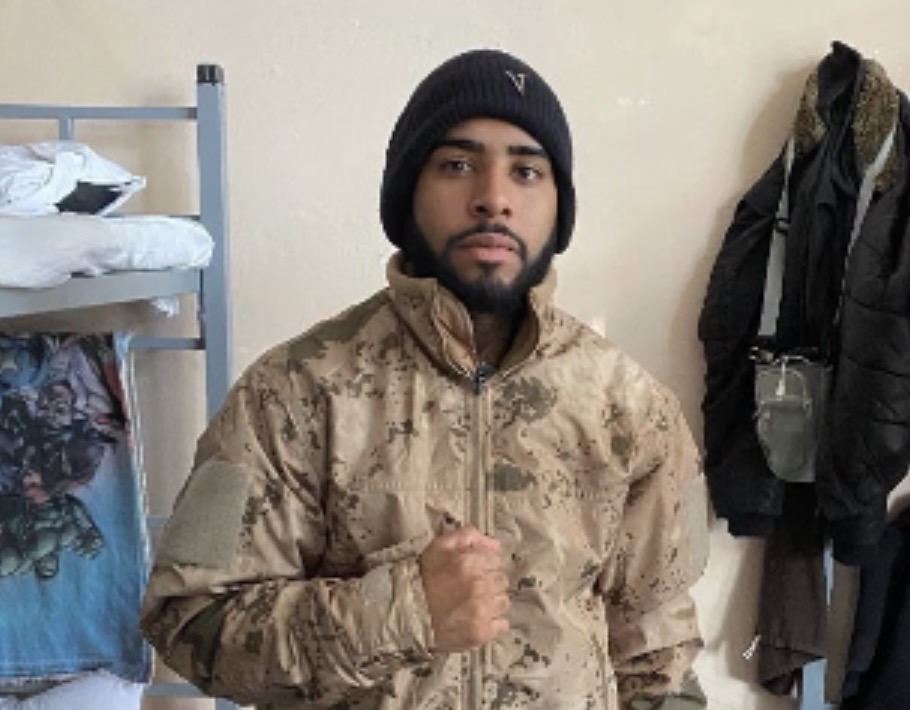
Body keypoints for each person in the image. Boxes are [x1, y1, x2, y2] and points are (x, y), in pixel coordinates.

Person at [141, 49, 709, 709]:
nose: (493, 198)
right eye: (457, 165)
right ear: (408, 191)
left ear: (559, 208)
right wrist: (398, 612)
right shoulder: (293, 392)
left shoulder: (633, 409)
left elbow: (660, 655)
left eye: (527, 171)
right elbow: (190, 619)